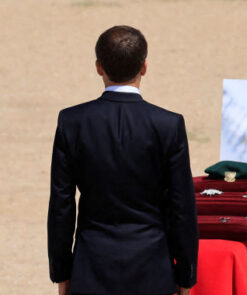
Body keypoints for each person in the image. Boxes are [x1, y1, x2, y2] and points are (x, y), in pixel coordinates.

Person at [47, 25, 197, 295]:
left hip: (90, 267)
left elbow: (61, 206)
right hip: (152, 268)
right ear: (144, 67)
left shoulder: (72, 122)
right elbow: (182, 207)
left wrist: (61, 273)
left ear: (98, 67)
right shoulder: (168, 125)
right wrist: (186, 275)